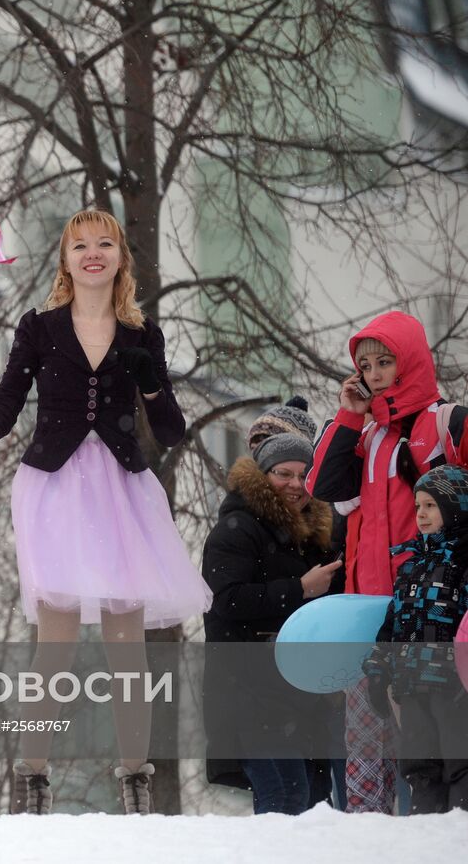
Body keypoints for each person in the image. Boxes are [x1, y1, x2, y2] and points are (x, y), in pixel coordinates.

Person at [0, 209, 211, 814]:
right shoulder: (39, 328)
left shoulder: (142, 334)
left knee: (128, 648)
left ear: (120, 257)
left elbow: (170, 430)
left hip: (121, 492)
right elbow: (1, 413)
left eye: (104, 244)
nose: (92, 254)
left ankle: (135, 780)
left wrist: (149, 384)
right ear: (65, 259)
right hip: (57, 489)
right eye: (79, 246)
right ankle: (32, 779)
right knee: (55, 646)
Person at [307, 311, 468, 812]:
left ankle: (437, 840)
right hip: (373, 613)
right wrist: (351, 414)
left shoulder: (446, 422)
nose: (374, 373)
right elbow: (322, 486)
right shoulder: (366, 434)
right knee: (368, 745)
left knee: (436, 747)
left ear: (411, 362)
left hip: (437, 613)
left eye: (385, 362)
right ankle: (371, 844)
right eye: (366, 365)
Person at [201, 433, 342, 814]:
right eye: (284, 474)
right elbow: (226, 600)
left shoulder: (316, 535)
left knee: (313, 802)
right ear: (263, 475)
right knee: (284, 796)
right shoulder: (237, 529)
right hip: (250, 691)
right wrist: (299, 588)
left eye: (304, 474)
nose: (296, 484)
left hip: (302, 693)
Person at [362, 465, 468, 813]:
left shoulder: (464, 561)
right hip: (412, 688)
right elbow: (393, 623)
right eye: (417, 506)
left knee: (461, 766)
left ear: (456, 507)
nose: (420, 514)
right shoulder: (412, 565)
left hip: (456, 688)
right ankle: (426, 841)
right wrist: (379, 667)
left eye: (431, 506)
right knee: (420, 771)